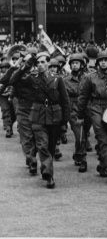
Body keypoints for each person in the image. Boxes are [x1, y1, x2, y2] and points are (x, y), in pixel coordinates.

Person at [10, 51, 70, 189]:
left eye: (43, 62)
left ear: (49, 63)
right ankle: (48, 174)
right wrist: (27, 64)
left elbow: (65, 101)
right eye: (38, 62)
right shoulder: (32, 78)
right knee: (42, 145)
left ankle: (48, 169)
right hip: (38, 116)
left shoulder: (57, 79)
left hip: (54, 116)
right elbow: (13, 80)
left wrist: (64, 124)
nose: (40, 65)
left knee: (50, 147)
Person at [76, 50, 107, 185]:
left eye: (106, 60)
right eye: (101, 60)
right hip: (96, 108)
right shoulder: (90, 77)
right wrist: (80, 115)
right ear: (98, 62)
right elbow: (83, 97)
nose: (104, 62)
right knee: (103, 137)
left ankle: (103, 164)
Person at [63, 53, 89, 172]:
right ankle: (83, 159)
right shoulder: (65, 80)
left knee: (84, 134)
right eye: (72, 63)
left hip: (86, 108)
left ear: (82, 65)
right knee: (79, 134)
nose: (74, 65)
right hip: (72, 108)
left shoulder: (87, 78)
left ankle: (78, 154)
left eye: (77, 63)